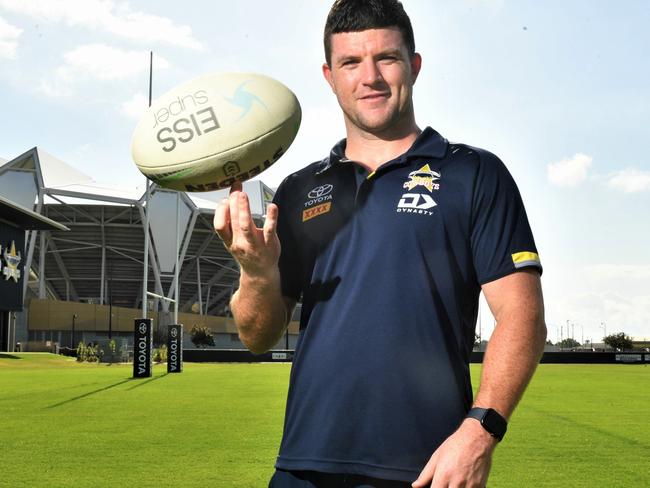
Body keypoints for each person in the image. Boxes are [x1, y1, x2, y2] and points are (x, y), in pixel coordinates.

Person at [214, 0, 547, 486]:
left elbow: (524, 318)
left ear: (413, 65)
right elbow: (258, 336)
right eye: (351, 62)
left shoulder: (474, 174)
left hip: (427, 468)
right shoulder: (299, 190)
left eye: (386, 58)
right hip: (303, 464)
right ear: (330, 76)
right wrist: (256, 273)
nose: (369, 76)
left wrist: (480, 431)